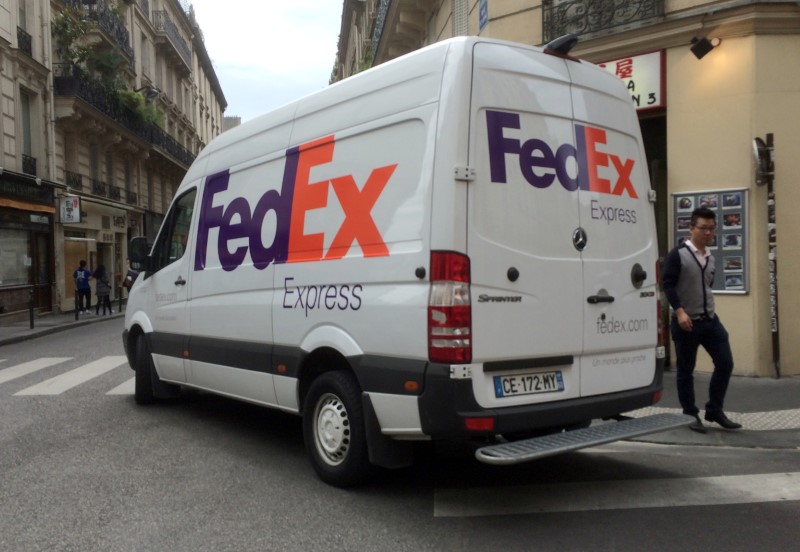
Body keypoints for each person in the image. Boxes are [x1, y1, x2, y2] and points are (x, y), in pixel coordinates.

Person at [662, 207, 742, 433]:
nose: (708, 233)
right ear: (691, 228)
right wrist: (679, 311)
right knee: (686, 370)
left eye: (711, 229)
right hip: (686, 322)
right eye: (703, 228)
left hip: (709, 320)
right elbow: (667, 284)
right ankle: (690, 414)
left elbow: (707, 285)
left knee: (725, 362)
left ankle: (714, 410)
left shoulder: (711, 257)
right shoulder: (677, 255)